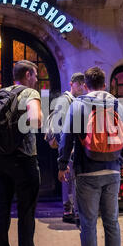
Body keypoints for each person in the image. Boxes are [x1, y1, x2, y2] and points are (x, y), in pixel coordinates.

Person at [58, 66, 123, 246]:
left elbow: (67, 138)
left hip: (87, 172)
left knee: (88, 225)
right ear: (105, 84)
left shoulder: (78, 105)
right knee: (112, 223)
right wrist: (119, 159)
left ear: (85, 85)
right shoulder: (119, 106)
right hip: (113, 171)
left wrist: (62, 165)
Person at [0, 60, 49, 246]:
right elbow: (36, 121)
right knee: (26, 211)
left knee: (1, 209)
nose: (35, 79)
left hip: (1, 160)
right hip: (24, 159)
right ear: (27, 74)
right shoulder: (29, 93)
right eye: (34, 75)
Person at [45, 72, 87, 224]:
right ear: (72, 84)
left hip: (70, 146)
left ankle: (70, 210)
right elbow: (59, 125)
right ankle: (70, 212)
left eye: (83, 84)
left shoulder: (72, 100)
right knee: (70, 179)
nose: (82, 88)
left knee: (70, 179)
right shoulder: (65, 100)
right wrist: (66, 146)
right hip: (69, 147)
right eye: (79, 84)